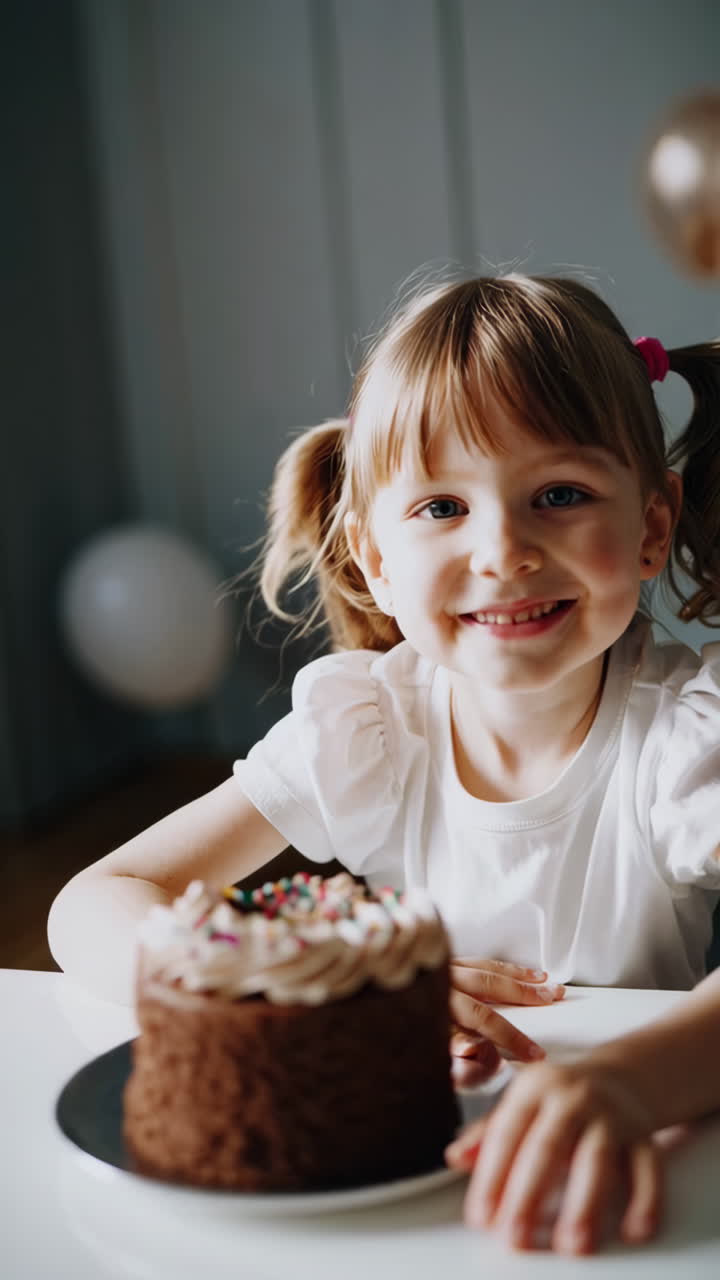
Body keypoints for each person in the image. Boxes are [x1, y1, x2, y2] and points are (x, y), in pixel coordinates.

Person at [48, 274, 720, 1255]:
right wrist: (298, 985)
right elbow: (94, 900)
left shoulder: (684, 733)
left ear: (651, 525)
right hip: (388, 1204)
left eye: (560, 494)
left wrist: (628, 1078)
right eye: (443, 505)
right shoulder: (370, 726)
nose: (503, 550)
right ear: (371, 559)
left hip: (612, 1187)